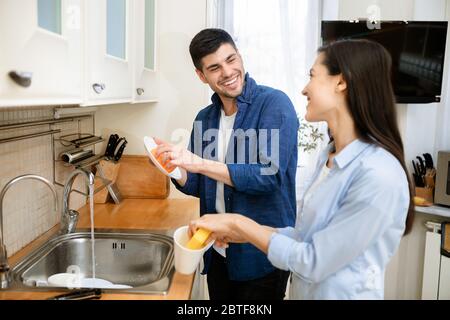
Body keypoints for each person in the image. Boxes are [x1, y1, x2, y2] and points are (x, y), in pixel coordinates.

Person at [188, 39, 415, 300]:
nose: (305, 89)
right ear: (202, 75)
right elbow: (305, 238)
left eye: (312, 76)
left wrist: (236, 222)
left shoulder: (378, 174)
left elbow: (313, 259)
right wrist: (241, 232)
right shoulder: (329, 157)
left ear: (341, 82)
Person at [154, 28, 299, 300]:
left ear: (240, 57)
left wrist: (198, 163)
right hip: (216, 250)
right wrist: (175, 168)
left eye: (231, 60)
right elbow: (201, 185)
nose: (228, 72)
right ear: (202, 75)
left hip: (261, 256)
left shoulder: (274, 105)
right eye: (215, 67)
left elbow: (268, 176)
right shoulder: (205, 118)